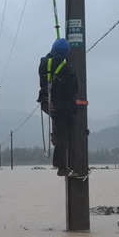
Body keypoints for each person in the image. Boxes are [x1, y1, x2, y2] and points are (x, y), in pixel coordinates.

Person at [37, 37, 78, 176]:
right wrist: (74, 109)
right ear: (66, 54)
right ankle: (62, 167)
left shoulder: (43, 64)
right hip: (59, 106)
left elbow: (47, 57)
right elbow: (73, 91)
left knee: (59, 125)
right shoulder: (68, 71)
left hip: (46, 102)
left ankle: (58, 160)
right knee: (65, 133)